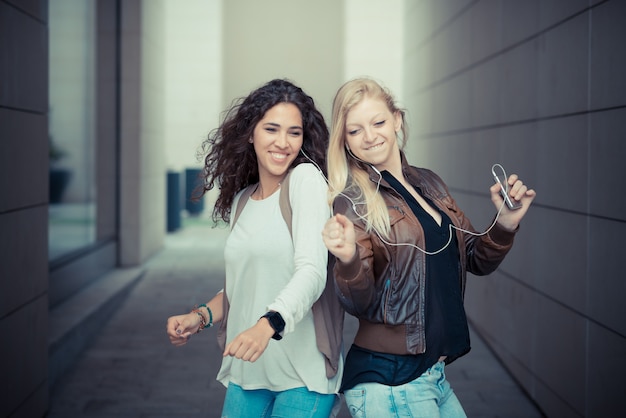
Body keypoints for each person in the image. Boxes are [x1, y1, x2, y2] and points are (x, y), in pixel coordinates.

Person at [321, 78, 536, 418]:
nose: (370, 136)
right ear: (344, 140)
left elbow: (476, 258)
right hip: (391, 381)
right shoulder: (353, 201)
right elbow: (358, 301)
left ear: (397, 120)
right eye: (355, 130)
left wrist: (505, 223)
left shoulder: (429, 183)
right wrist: (347, 261)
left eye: (378, 122)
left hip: (432, 375)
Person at [166, 79, 342, 417]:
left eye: (294, 132)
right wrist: (199, 316)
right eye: (271, 129)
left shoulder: (305, 181)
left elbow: (312, 272)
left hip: (302, 377)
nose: (283, 142)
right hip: (247, 374)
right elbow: (242, 285)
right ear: (251, 133)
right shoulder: (243, 201)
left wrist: (267, 325)